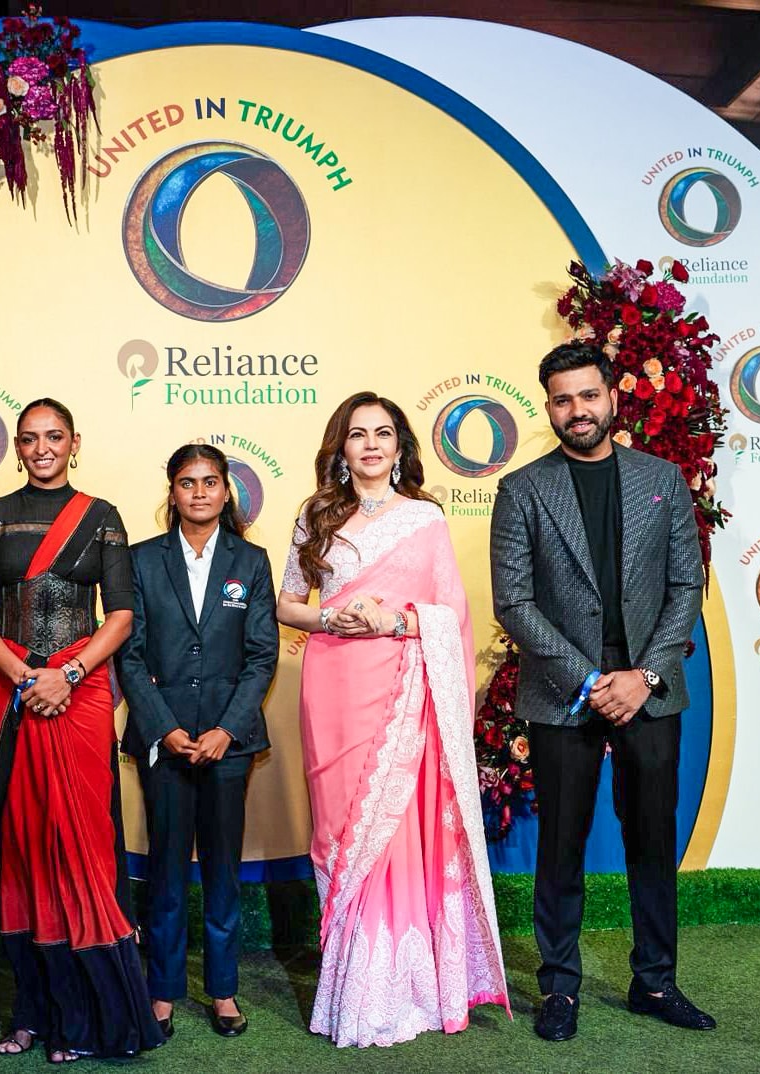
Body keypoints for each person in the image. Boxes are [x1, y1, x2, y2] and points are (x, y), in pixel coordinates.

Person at [490, 343, 714, 1043]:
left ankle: (655, 980)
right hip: (564, 692)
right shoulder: (522, 489)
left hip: (648, 686)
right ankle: (558, 989)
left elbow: (686, 586)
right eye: (561, 399)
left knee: (651, 839)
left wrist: (640, 675)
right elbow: (513, 602)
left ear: (612, 397)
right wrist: (589, 680)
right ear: (547, 406)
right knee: (560, 844)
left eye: (587, 396)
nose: (575, 410)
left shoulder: (662, 479)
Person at [276, 391, 510, 1048]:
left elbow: (450, 614)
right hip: (332, 683)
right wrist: (332, 617)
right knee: (339, 827)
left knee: (400, 832)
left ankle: (405, 989)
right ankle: (351, 981)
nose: (371, 444)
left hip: (406, 689)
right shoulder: (316, 516)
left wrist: (394, 621)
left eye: (383, 433)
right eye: (358, 434)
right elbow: (288, 604)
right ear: (340, 447)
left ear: (401, 447)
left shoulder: (424, 519)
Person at [0, 398, 163, 1063]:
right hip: (11, 694)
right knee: (20, 845)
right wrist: (24, 676)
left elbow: (122, 616)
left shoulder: (101, 517)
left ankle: (88, 1019)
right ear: (16, 447)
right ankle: (32, 1013)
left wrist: (66, 675)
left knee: (80, 846)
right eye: (28, 439)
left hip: (79, 694)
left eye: (53, 437)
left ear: (75, 442)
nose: (41, 447)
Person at [118, 443, 279, 1040]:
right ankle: (160, 992)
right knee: (163, 871)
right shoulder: (140, 560)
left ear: (226, 491)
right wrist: (167, 727)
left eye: (211, 482)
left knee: (221, 870)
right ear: (172, 491)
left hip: (227, 745)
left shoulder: (252, 561)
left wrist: (224, 730)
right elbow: (129, 656)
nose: (200, 492)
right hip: (166, 742)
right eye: (188, 482)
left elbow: (262, 656)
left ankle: (224, 991)